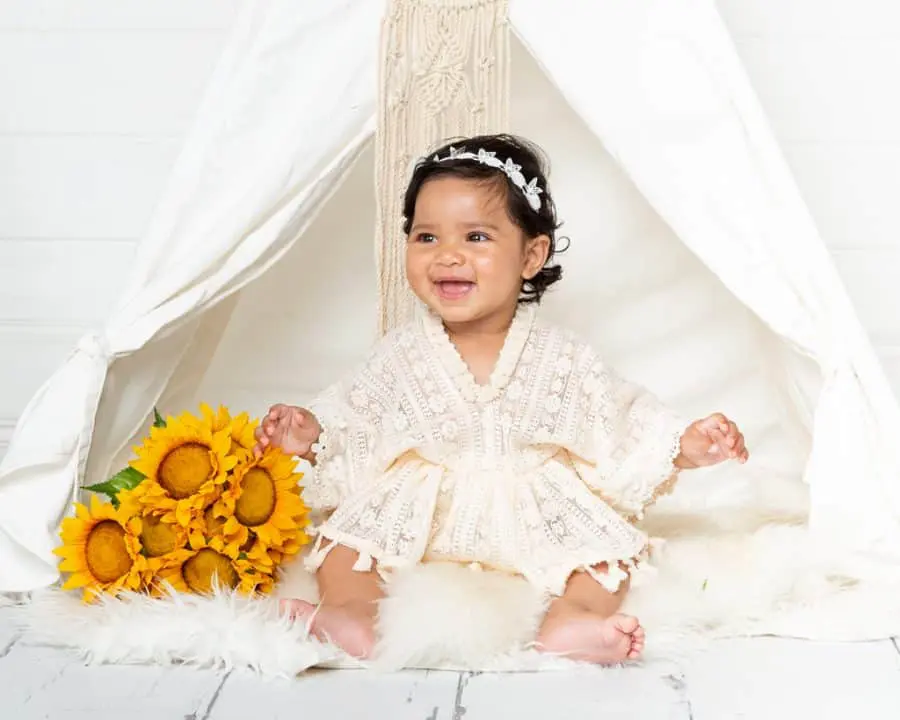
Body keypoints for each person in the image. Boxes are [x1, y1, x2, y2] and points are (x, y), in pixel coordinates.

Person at [253, 134, 748, 664]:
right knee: (346, 543)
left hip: (533, 509)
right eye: (425, 237)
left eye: (476, 236)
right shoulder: (401, 354)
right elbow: (357, 419)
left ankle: (574, 621)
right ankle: (350, 615)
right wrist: (310, 434)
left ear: (531, 255)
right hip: (420, 509)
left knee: (608, 556)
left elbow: (619, 419)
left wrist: (684, 444)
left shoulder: (562, 356)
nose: (448, 255)